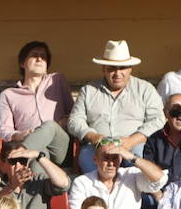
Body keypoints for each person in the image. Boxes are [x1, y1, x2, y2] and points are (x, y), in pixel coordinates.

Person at [67, 39, 162, 175]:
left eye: (122, 68)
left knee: (140, 157)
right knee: (86, 157)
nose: (117, 73)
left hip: (134, 146)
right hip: (97, 145)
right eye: (112, 68)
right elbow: (74, 121)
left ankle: (138, 195)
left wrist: (132, 140)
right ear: (103, 69)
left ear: (130, 68)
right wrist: (93, 136)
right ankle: (97, 195)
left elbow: (158, 120)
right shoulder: (89, 91)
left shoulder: (145, 89)